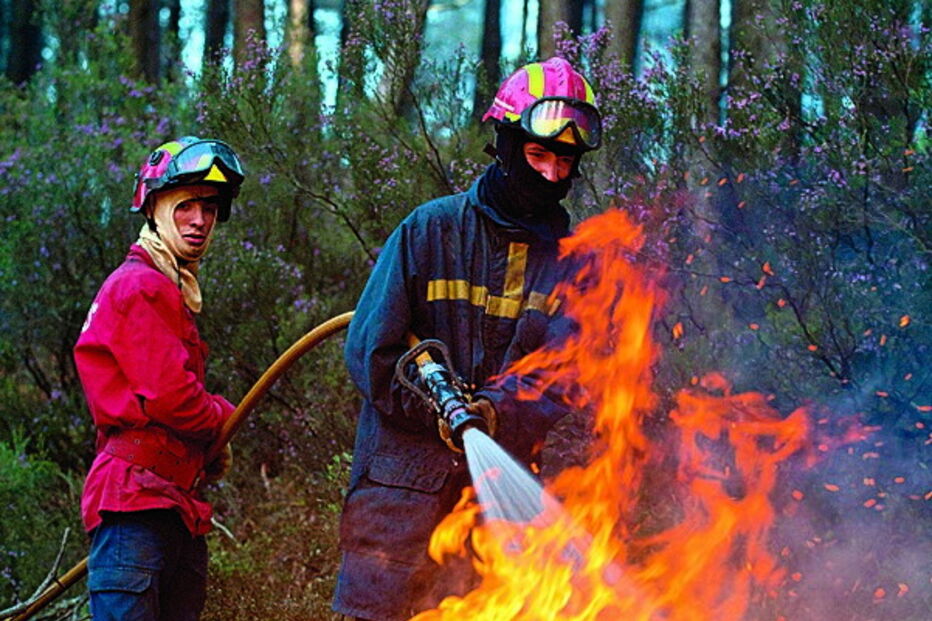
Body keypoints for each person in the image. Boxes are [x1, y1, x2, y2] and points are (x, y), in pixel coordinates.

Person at [334, 57, 603, 621]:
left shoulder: (575, 264)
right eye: (539, 155)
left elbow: (563, 374)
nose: (551, 174)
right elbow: (371, 354)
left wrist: (495, 412)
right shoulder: (429, 230)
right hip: (399, 510)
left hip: (495, 519)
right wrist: (437, 408)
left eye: (564, 161)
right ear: (505, 146)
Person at [74, 136, 246, 620]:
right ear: (153, 209)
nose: (200, 220)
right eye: (185, 205)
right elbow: (173, 398)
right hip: (136, 507)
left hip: (170, 505)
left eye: (209, 208)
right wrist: (224, 418)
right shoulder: (142, 285)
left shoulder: (168, 287)